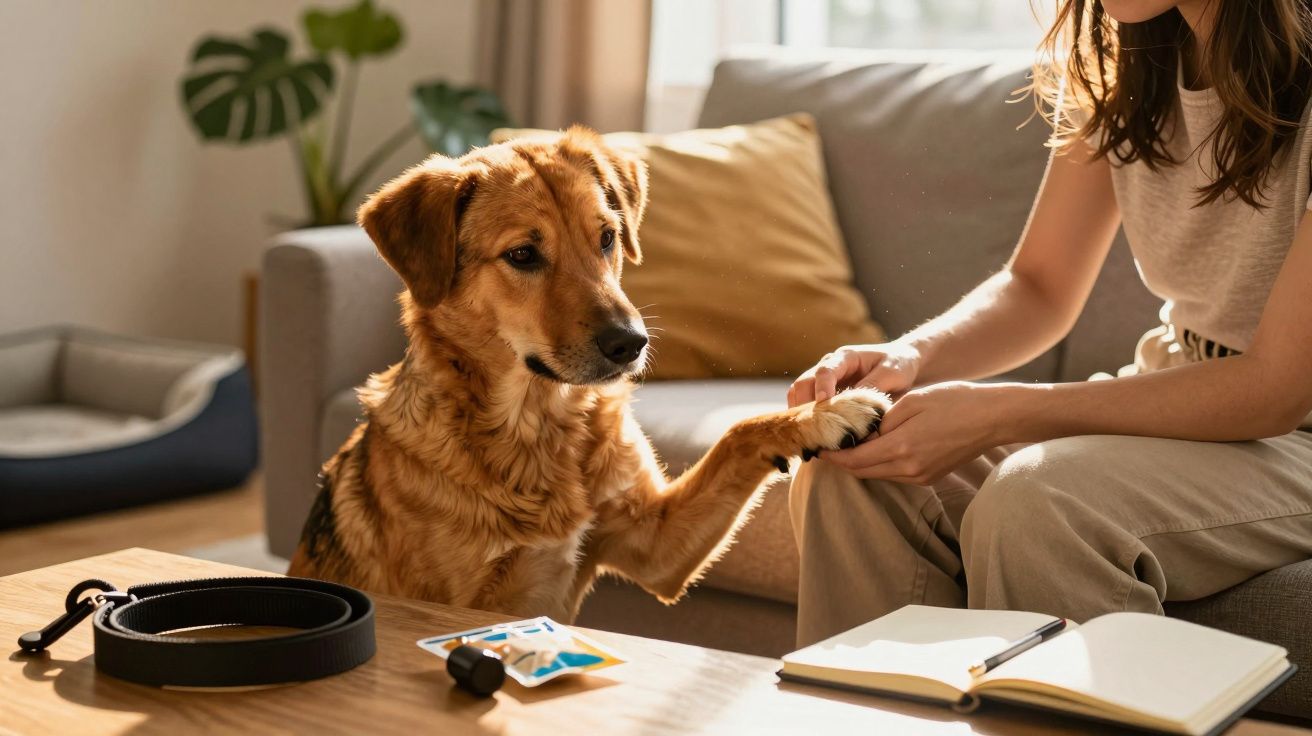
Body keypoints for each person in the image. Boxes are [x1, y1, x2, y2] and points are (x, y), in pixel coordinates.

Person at [787, 0, 1312, 647]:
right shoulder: (1127, 67)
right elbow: (1038, 287)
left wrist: (1001, 412)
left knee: (1038, 505)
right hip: (1179, 390)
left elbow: (1274, 388)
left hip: (1296, 435)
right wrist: (912, 354)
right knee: (850, 470)